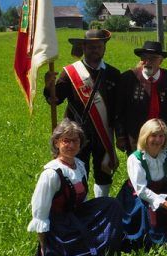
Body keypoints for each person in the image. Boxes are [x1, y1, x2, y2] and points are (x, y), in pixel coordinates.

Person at [28, 119, 124, 256]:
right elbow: (40, 213)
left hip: (75, 218)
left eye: (75, 141)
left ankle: (104, 247)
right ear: (57, 142)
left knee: (111, 204)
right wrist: (43, 245)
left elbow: (83, 202)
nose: (71, 145)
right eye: (66, 140)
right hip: (60, 227)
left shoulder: (79, 165)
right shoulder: (51, 174)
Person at [43, 29, 121, 197]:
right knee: (77, 171)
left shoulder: (113, 74)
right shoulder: (70, 73)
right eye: (91, 46)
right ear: (83, 48)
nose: (95, 50)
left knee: (104, 173)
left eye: (99, 46)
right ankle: (80, 207)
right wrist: (49, 86)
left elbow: (117, 108)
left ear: (104, 48)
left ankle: (101, 206)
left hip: (103, 132)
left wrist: (120, 134)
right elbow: (55, 100)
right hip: (75, 133)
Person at [116, 119, 167, 249]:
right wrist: (166, 205)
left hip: (163, 189)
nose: (157, 140)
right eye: (153, 136)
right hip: (139, 195)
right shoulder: (135, 158)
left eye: (161, 136)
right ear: (144, 136)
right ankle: (149, 239)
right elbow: (141, 190)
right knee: (143, 209)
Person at [115, 40, 167, 156]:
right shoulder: (128, 79)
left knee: (162, 171)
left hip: (162, 139)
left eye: (153, 58)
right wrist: (120, 136)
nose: (147, 62)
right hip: (135, 137)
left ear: (161, 60)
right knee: (137, 171)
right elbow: (119, 110)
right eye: (144, 58)